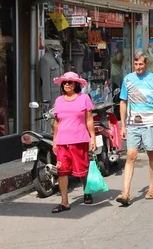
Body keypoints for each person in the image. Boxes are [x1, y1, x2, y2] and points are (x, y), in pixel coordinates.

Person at [116, 52, 153, 206]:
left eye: (141, 64)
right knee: (131, 155)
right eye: (136, 64)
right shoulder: (128, 79)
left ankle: (152, 187)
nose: (138, 67)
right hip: (132, 124)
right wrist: (122, 125)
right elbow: (123, 102)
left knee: (151, 152)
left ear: (146, 64)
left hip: (150, 122)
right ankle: (125, 193)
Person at [51, 72, 97, 213]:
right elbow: (57, 122)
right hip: (62, 142)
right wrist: (54, 140)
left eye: (70, 82)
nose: (66, 85)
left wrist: (93, 137)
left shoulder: (84, 98)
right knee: (62, 171)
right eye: (64, 82)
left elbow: (89, 119)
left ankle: (86, 190)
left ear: (76, 84)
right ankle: (64, 202)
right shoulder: (59, 100)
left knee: (81, 170)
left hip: (80, 140)